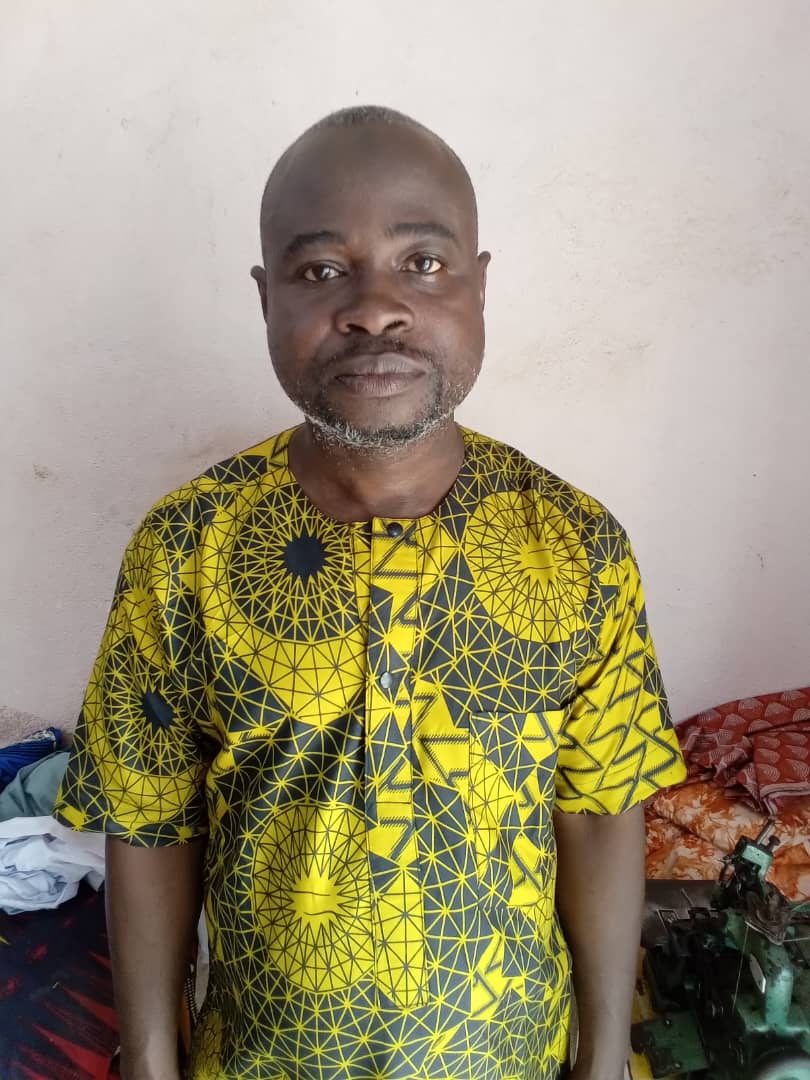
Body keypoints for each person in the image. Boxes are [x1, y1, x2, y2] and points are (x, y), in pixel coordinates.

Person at [55, 105, 686, 1080]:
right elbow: (149, 820)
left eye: (422, 263)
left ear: (480, 285)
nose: (375, 308)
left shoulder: (576, 545)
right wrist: (147, 1058)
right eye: (320, 271)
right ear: (266, 298)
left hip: (512, 1056)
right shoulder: (186, 547)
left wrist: (603, 1056)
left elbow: (601, 809)